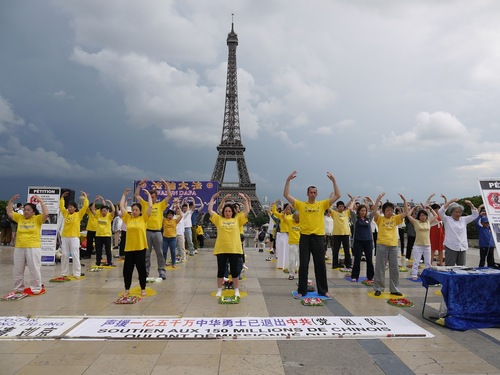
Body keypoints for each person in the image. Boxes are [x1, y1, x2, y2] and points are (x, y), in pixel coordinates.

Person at [284, 170, 340, 299]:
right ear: (307, 194)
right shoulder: (301, 205)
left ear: (317, 194)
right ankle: (301, 290)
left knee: (320, 264)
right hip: (304, 237)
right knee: (303, 264)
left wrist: (334, 181)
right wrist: (288, 180)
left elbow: (337, 195)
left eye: (315, 192)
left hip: (318, 237)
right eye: (311, 192)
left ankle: (323, 290)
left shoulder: (322, 204)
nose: (313, 194)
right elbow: (286, 194)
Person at [208, 191, 249, 298]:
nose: (227, 213)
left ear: (232, 212)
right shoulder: (218, 219)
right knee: (221, 270)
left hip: (234, 249)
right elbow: (210, 210)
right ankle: (219, 290)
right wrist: (212, 198)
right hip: (221, 249)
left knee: (235, 272)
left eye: (229, 211)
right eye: (226, 211)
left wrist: (244, 199)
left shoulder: (237, 219)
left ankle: (236, 290)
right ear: (223, 212)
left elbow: (246, 211)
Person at [7, 194, 49, 294]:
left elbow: (46, 214)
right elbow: (9, 213)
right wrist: (11, 201)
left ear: (33, 211)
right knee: (18, 269)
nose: (26, 211)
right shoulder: (19, 218)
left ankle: (36, 288)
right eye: (25, 209)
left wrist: (41, 201)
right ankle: (18, 288)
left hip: (33, 247)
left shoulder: (37, 219)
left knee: (34, 268)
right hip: (19, 247)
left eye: (28, 210)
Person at [135, 178, 172, 279]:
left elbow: (169, 196)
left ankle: (162, 271)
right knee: (146, 253)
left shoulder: (160, 205)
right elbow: (137, 195)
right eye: (150, 197)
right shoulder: (145, 204)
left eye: (153, 197)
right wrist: (139, 185)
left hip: (158, 232)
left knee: (160, 253)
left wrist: (166, 185)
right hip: (147, 232)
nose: (152, 198)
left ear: (156, 197)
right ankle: (145, 271)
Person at [372, 192, 408, 296]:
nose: (390, 212)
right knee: (380, 267)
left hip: (393, 246)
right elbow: (374, 211)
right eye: (388, 210)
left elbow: (405, 213)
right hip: (382, 245)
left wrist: (404, 201)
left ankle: (394, 289)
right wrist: (378, 199)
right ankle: (378, 288)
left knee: (394, 268)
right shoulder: (380, 218)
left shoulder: (395, 218)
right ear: (384, 211)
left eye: (391, 210)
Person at [120, 188, 152, 297]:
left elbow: (150, 207)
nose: (134, 211)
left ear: (140, 211)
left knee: (141, 269)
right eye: (133, 210)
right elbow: (121, 207)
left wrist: (148, 195)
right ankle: (127, 288)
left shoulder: (143, 219)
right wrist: (124, 194)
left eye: (136, 210)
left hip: (140, 248)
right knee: (127, 270)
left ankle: (143, 288)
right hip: (129, 248)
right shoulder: (128, 219)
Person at [439, 196, 478, 266]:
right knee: (449, 267)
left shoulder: (464, 219)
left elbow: (475, 215)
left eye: (460, 212)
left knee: (462, 267)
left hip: (462, 247)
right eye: (456, 212)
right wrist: (450, 202)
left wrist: (471, 205)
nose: (458, 214)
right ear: (451, 212)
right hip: (451, 246)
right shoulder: (447, 219)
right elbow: (440, 211)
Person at [59, 191, 89, 278]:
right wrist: (62, 198)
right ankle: (64, 273)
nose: (69, 208)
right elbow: (61, 207)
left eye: (71, 207)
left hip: (74, 237)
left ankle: (77, 273)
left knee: (75, 254)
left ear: (75, 208)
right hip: (65, 237)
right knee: (64, 254)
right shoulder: (65, 214)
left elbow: (85, 206)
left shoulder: (78, 214)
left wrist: (85, 197)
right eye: (68, 207)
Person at [406, 205, 438, 280]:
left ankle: (428, 275)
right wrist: (413, 208)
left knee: (428, 262)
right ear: (419, 216)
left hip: (427, 245)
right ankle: (414, 274)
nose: (423, 217)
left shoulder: (428, 222)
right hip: (418, 245)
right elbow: (408, 215)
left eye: (424, 215)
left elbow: (436, 215)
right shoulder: (416, 222)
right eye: (421, 215)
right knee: (416, 261)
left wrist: (430, 209)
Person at [348, 197, 375, 283]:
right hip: (358, 241)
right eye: (362, 210)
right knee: (357, 260)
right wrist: (353, 200)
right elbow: (350, 210)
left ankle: (370, 276)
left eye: (365, 210)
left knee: (369, 260)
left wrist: (372, 201)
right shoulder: (355, 219)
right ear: (359, 211)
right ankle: (355, 276)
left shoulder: (368, 218)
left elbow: (375, 209)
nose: (363, 212)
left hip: (368, 241)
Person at [94, 196, 115, 266]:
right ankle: (98, 262)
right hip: (99, 235)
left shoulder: (109, 216)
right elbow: (92, 210)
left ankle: (109, 262)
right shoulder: (98, 215)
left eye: (105, 210)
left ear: (107, 211)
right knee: (98, 250)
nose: (103, 212)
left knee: (108, 250)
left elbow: (114, 211)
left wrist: (111, 203)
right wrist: (94, 202)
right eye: (102, 210)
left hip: (107, 235)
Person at [331, 200, 352, 270]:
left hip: (345, 233)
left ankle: (348, 264)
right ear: (337, 207)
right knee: (336, 250)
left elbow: (351, 208)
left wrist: (353, 200)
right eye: (340, 206)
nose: (341, 208)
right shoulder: (334, 213)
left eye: (342, 206)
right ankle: (335, 264)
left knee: (347, 250)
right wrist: (331, 197)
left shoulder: (346, 213)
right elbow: (328, 207)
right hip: (337, 234)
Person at [426, 194, 445, 266]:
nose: (437, 210)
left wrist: (445, 198)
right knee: (432, 248)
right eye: (436, 208)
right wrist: (430, 197)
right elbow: (427, 205)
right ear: (433, 209)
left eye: (438, 208)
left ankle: (441, 262)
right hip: (433, 231)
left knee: (441, 248)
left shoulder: (441, 214)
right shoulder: (430, 214)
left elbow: (445, 207)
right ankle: (430, 263)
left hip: (440, 232)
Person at [287, 212, 300, 280]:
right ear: (293, 217)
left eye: (299, 218)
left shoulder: (303, 223)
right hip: (292, 243)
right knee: (292, 259)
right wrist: (286, 210)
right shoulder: (290, 221)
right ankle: (291, 274)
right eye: (296, 218)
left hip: (301, 244)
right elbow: (281, 216)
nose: (297, 219)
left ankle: (301, 274)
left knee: (301, 260)